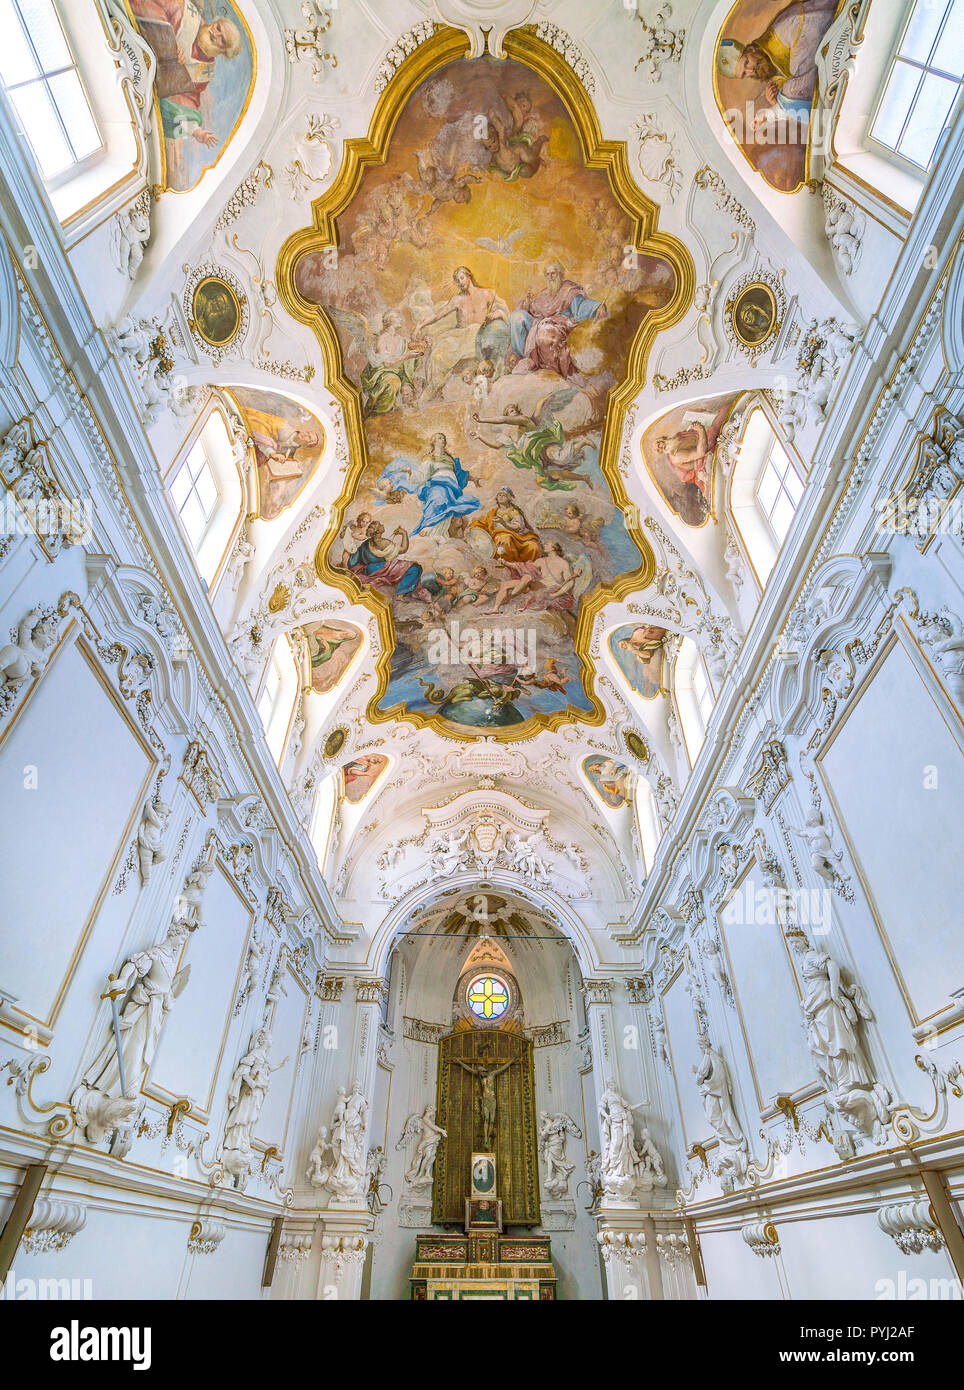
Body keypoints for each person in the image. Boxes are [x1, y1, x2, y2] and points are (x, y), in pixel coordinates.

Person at [130, 1, 243, 184]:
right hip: (134, 45)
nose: (215, 34)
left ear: (224, 51)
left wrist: (195, 130)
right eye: (218, 27)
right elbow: (144, 5)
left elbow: (187, 99)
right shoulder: (184, 11)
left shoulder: (204, 74)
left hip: (145, 82)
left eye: (222, 39)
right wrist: (169, 41)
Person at [716, 0, 840, 120]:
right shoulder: (769, 60)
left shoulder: (782, 31)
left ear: (750, 50)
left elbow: (806, 66)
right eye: (744, 73)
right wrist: (776, 102)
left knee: (790, 94)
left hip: (831, 20)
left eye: (746, 62)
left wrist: (780, 104)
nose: (750, 70)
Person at [509, 261, 607, 377]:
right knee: (517, 317)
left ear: (560, 274)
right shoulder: (544, 293)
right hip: (538, 323)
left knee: (544, 332)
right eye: (548, 274)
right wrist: (527, 304)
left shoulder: (569, 290)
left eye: (553, 274)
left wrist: (596, 307)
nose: (550, 277)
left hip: (560, 325)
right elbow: (533, 311)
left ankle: (541, 364)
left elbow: (580, 307)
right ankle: (524, 358)